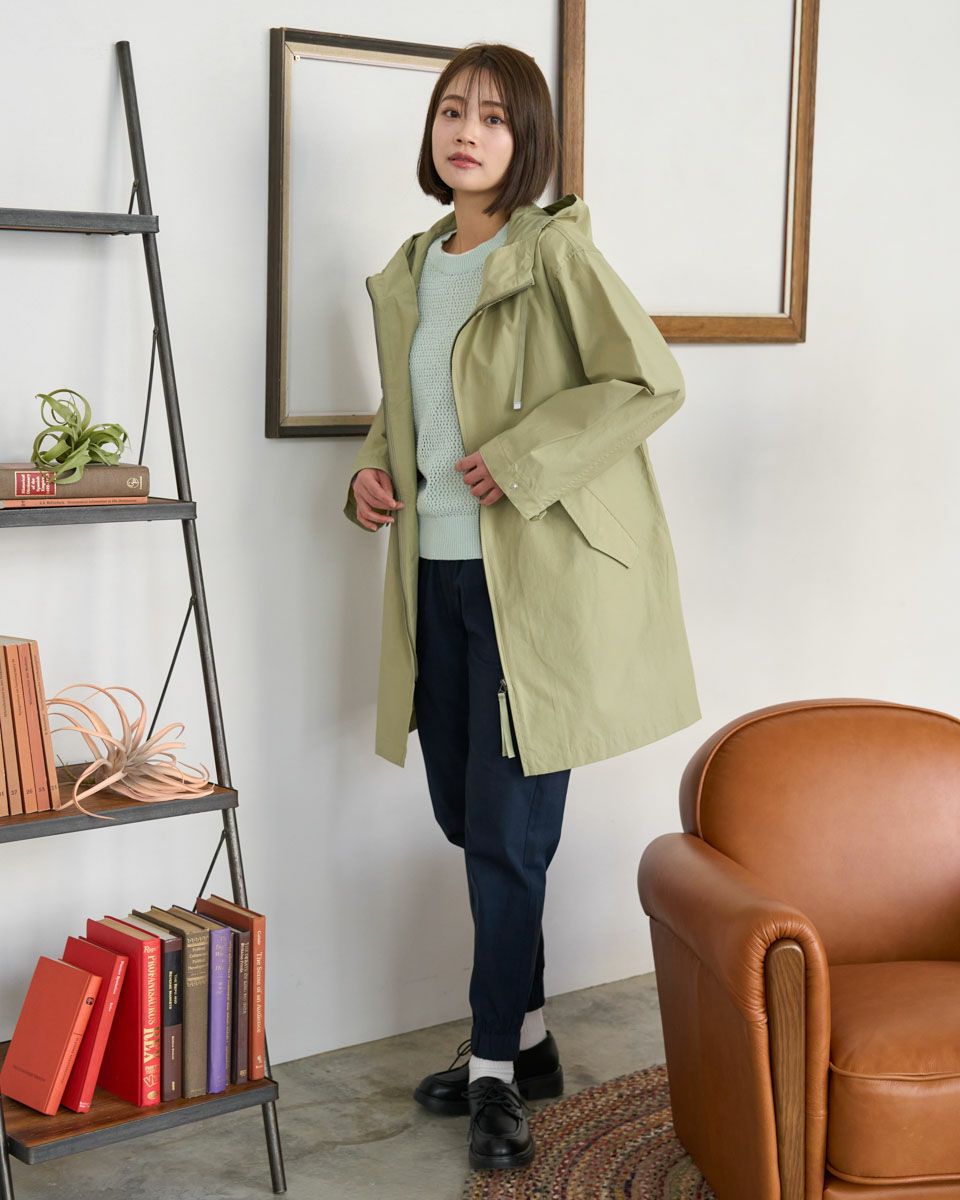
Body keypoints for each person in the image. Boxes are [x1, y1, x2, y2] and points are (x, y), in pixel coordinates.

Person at [343, 42, 700, 1172]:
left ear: (526, 140)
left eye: (495, 117)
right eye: (453, 110)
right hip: (436, 579)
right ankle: (533, 1035)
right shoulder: (411, 268)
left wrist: (523, 457)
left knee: (503, 836)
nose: (468, 132)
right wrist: (370, 469)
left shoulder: (553, 254)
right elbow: (413, 408)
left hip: (532, 589)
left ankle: (496, 1067)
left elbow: (649, 380)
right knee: (469, 817)